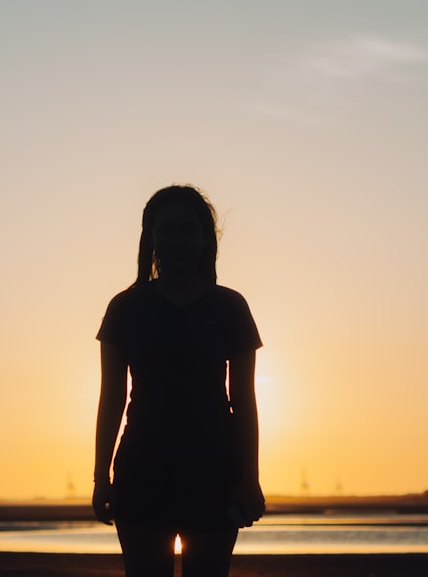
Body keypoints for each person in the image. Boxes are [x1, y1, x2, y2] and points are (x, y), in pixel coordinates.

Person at [93, 185, 265, 577]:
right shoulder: (126, 307)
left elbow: (244, 401)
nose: (177, 240)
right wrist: (101, 478)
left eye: (188, 230)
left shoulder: (229, 307)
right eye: (166, 230)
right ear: (150, 236)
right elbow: (111, 400)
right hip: (142, 467)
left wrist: (250, 478)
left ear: (205, 239)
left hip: (214, 469)